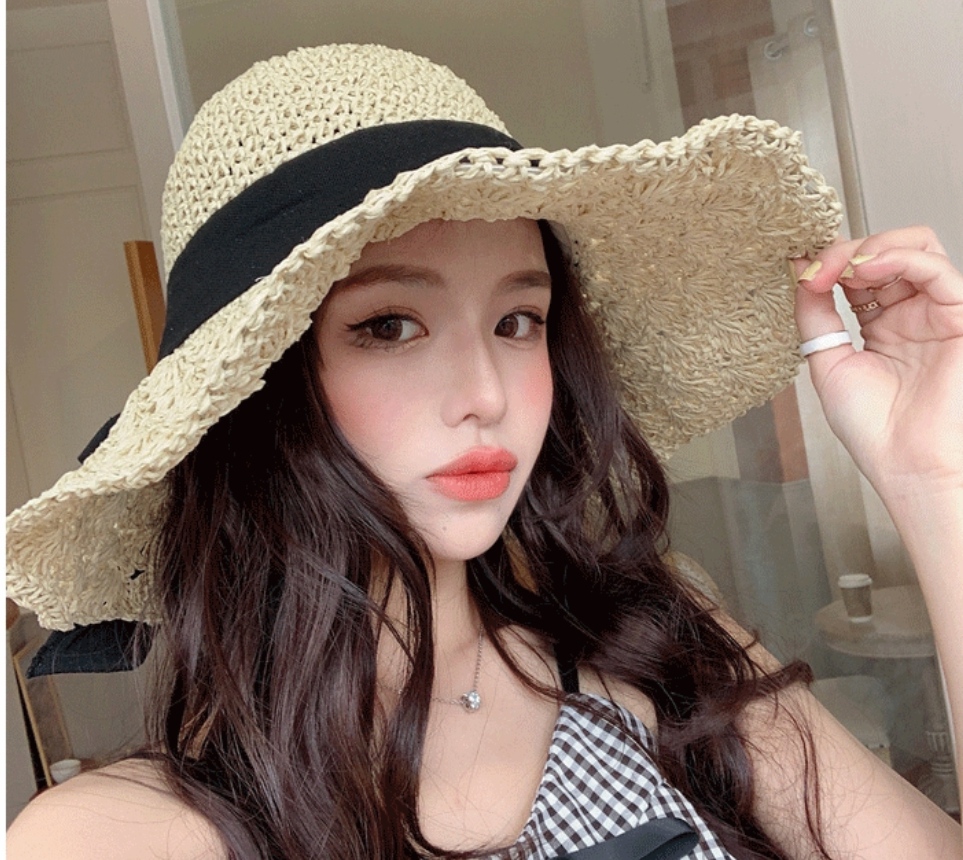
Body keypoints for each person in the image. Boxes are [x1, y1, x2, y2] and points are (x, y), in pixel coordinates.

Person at [5, 44, 962, 860]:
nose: (488, 396)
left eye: (517, 320)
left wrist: (931, 476)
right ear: (253, 393)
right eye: (389, 325)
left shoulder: (658, 655)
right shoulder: (125, 835)